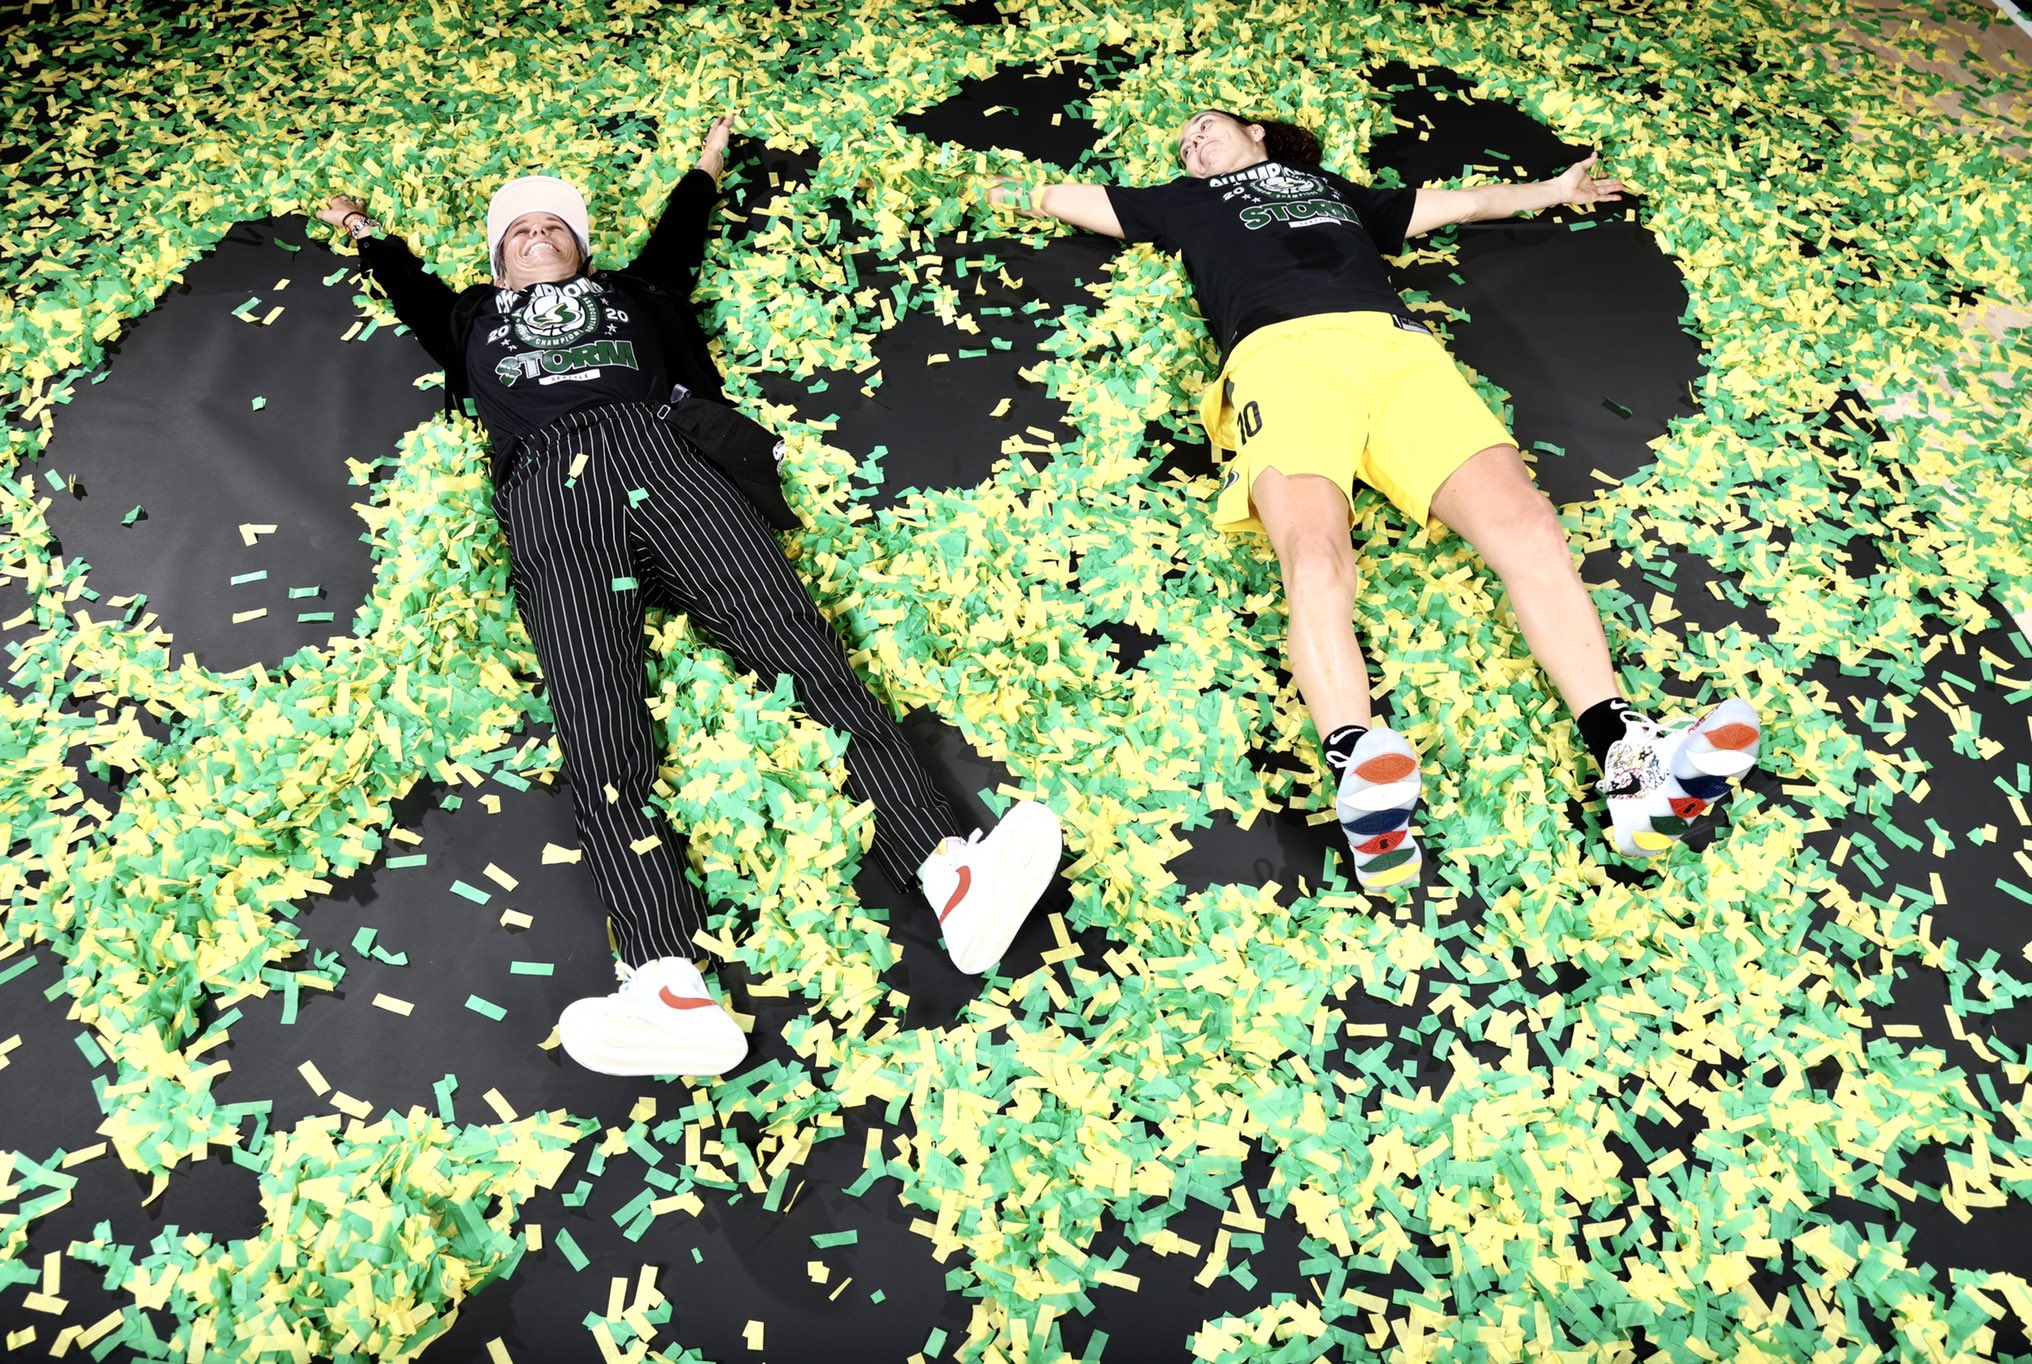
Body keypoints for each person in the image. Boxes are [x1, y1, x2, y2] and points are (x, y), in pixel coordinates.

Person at [315, 116, 1062, 1078]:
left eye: (554, 227)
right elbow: (409, 285)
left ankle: (949, 871)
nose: (537, 237)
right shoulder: (468, 320)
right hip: (549, 486)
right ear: (497, 266)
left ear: (583, 250)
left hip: (663, 454)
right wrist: (361, 228)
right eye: (519, 233)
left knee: (801, 651)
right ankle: (666, 984)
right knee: (597, 722)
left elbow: (680, 234)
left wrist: (709, 162)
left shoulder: (635, 295)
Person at [988, 110, 1759, 890]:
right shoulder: (1181, 200)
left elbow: (1462, 204)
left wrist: (1555, 191)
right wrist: (996, 188)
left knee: (1529, 528)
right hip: (1279, 357)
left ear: (1259, 131)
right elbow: (1063, 199)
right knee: (1315, 555)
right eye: (1183, 143)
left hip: (1397, 351)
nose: (1191, 143)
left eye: (1204, 127)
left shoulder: (1336, 190)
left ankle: (1632, 765)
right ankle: (1360, 772)